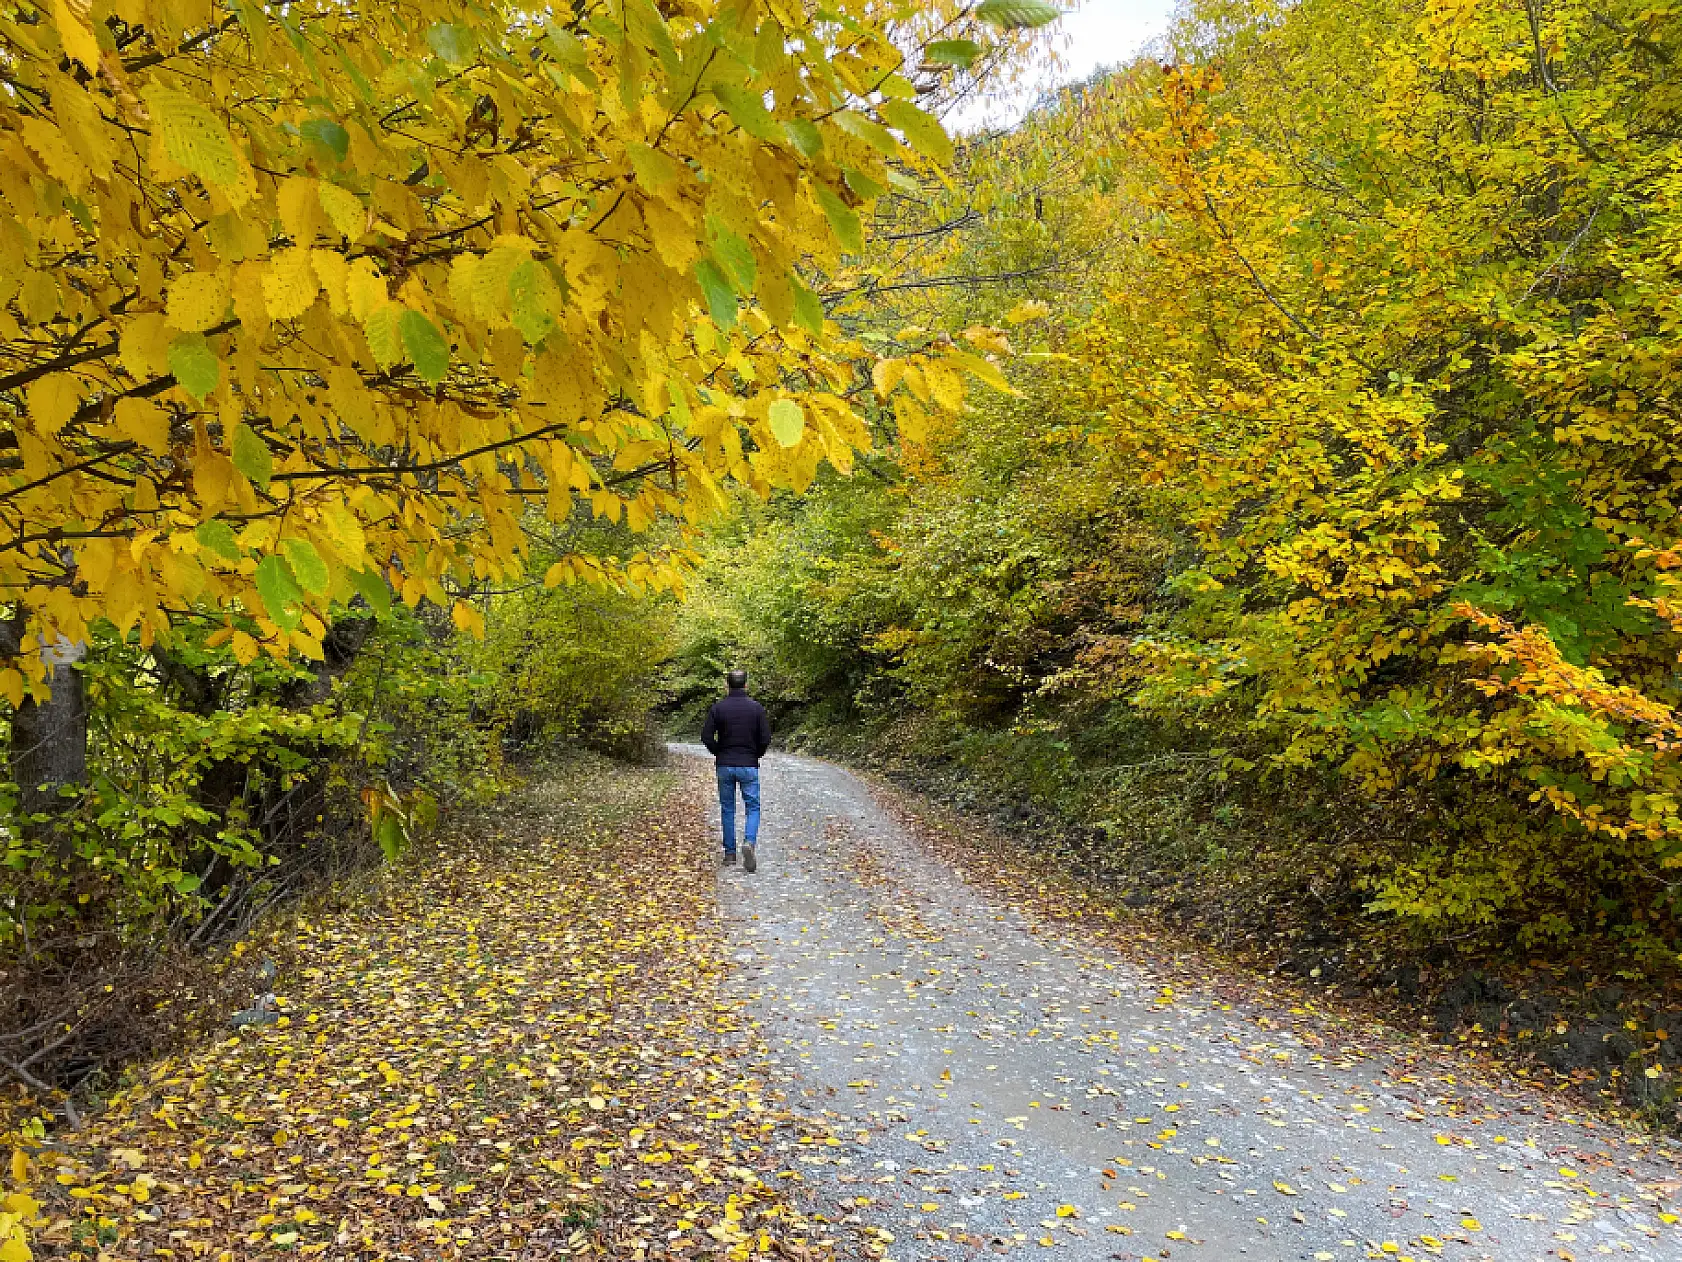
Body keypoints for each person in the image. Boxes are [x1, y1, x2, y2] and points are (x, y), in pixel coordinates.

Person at [701, 667, 771, 871]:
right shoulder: (756, 708)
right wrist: (755, 754)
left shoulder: (718, 708)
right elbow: (765, 738)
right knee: (753, 807)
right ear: (746, 685)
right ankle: (749, 842)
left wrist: (719, 752)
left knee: (728, 808)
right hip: (748, 764)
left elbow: (706, 737)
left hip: (725, 764)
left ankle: (730, 854)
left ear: (727, 685)